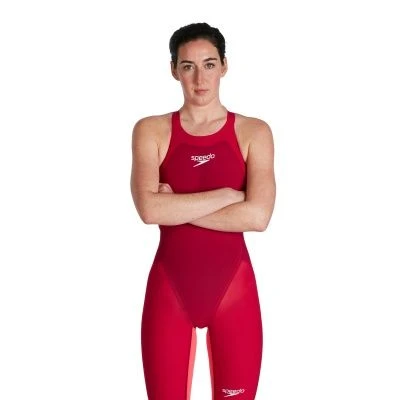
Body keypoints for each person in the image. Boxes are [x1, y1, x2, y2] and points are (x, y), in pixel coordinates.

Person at [130, 22, 276, 400]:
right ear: (173, 70)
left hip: (234, 293)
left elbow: (258, 217)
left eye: (209, 65)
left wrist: (174, 207)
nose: (200, 78)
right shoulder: (151, 131)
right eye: (188, 66)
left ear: (224, 66)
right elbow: (149, 209)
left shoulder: (254, 132)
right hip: (169, 291)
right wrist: (229, 195)